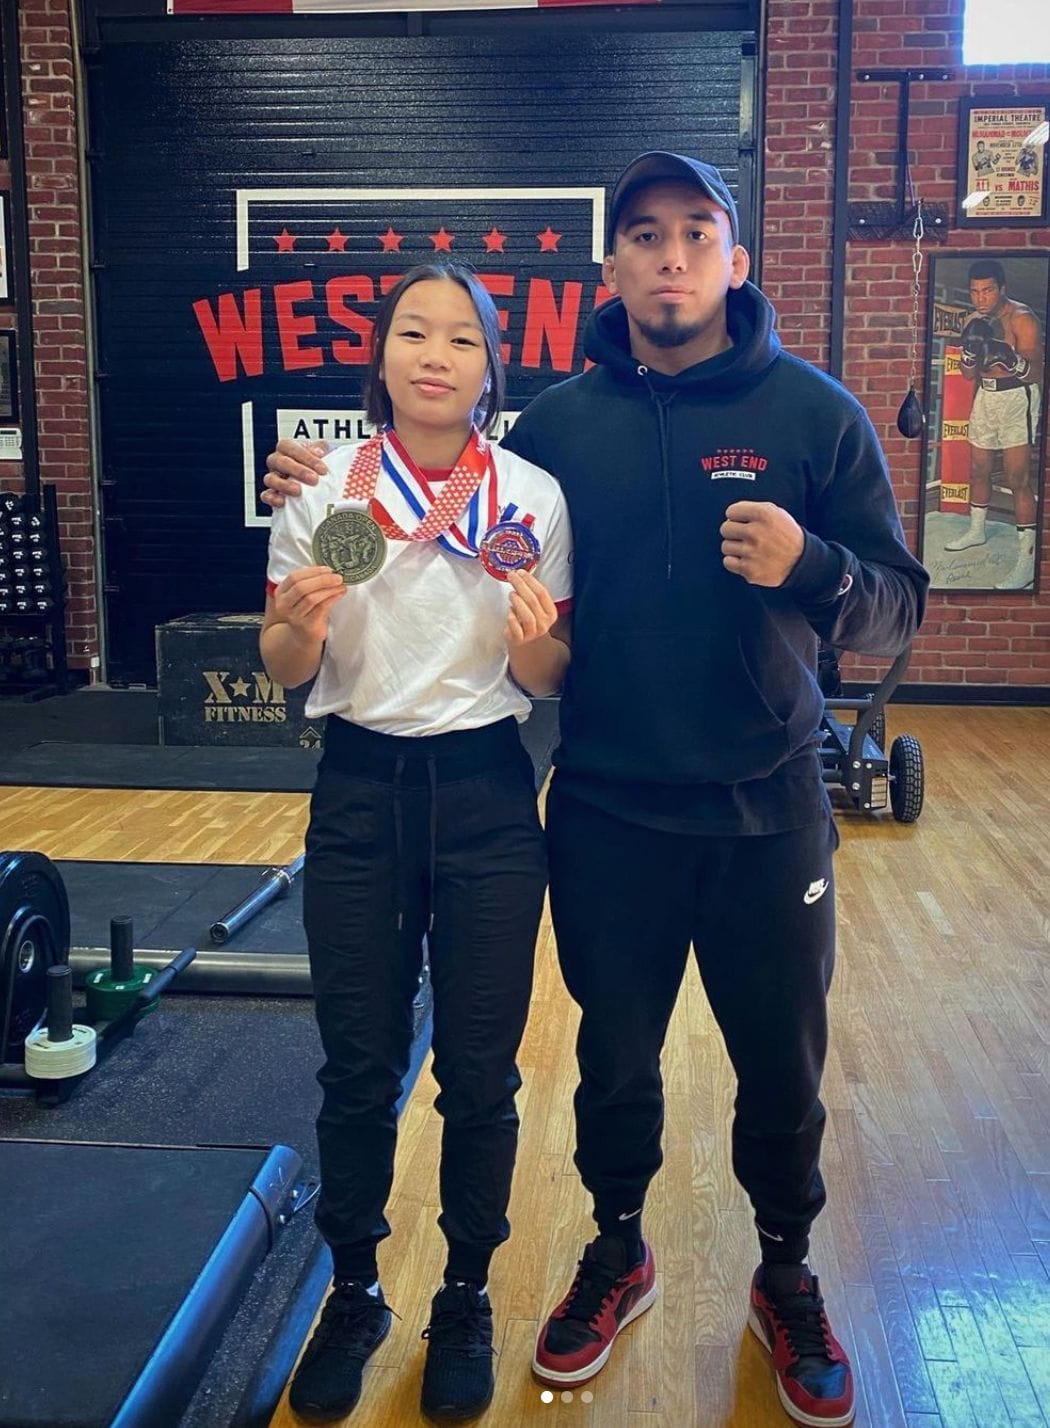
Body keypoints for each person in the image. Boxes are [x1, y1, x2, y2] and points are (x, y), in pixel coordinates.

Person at [263, 152, 929, 1428]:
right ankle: (616, 1245)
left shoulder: (818, 415)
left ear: (736, 259)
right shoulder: (555, 436)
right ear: (610, 269)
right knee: (611, 1063)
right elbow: (429, 475)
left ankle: (784, 1272)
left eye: (697, 234)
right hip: (608, 805)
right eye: (645, 237)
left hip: (769, 802)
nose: (671, 257)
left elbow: (896, 614)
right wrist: (315, 474)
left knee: (781, 1067)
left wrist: (818, 567)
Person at [261, 261, 573, 1423]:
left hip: (490, 794)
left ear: (493, 367)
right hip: (359, 791)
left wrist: (538, 640)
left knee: (481, 1070)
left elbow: (542, 678)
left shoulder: (531, 497)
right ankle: (353, 1289)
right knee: (357, 1060)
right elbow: (286, 666)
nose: (435, 355)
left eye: (462, 339)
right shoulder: (327, 492)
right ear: (382, 356)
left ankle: (464, 1292)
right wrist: (292, 629)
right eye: (413, 333)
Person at [944, 258, 1042, 590]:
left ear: (1002, 289)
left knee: (1017, 478)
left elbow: (1037, 373)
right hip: (986, 397)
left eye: (987, 291)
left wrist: (1010, 358)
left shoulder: (1022, 319)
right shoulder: (973, 321)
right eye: (975, 292)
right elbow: (968, 374)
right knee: (978, 469)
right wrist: (970, 355)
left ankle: (1026, 561)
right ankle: (976, 530)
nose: (981, 298)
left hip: (1018, 399)